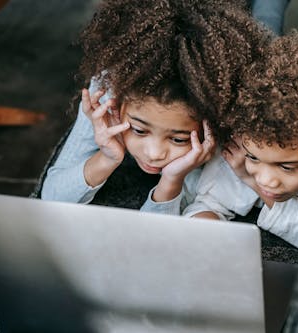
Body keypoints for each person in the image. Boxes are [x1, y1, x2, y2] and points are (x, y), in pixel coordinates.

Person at [41, 0, 270, 215]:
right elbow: (51, 199)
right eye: (139, 130)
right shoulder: (108, 93)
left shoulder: (229, 108)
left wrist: (172, 179)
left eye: (179, 139)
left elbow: (164, 232)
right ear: (118, 105)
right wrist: (106, 158)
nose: (154, 154)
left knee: (268, 25)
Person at [184, 33, 298, 251]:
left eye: (287, 167)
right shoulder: (246, 146)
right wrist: (205, 225)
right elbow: (206, 204)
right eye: (253, 158)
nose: (266, 180)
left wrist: (251, 182)